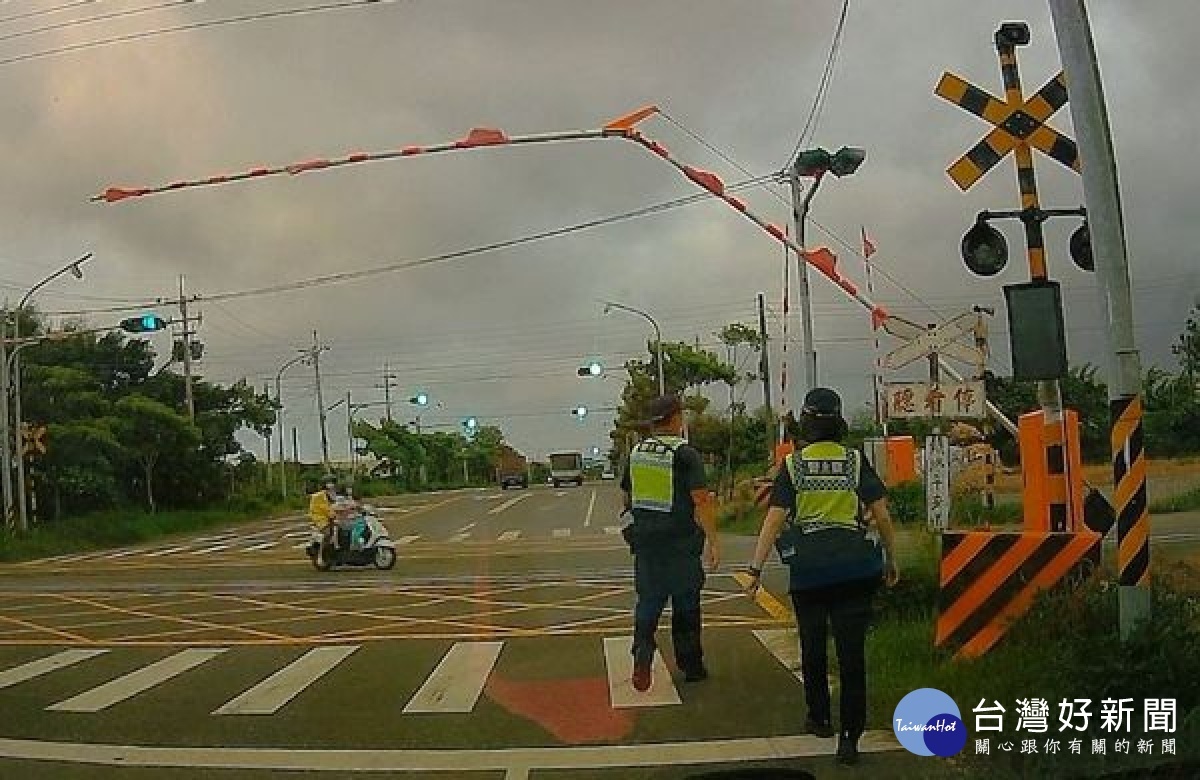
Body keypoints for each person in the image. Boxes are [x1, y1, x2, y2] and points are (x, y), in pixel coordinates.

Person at [745, 387, 900, 766]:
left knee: (812, 648)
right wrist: (892, 558)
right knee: (851, 656)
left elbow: (775, 519)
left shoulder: (794, 466)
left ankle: (820, 717)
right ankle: (850, 737)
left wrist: (755, 568)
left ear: (806, 422)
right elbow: (881, 515)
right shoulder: (854, 460)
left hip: (809, 572)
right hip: (854, 569)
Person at [620, 394, 720, 692]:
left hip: (647, 543)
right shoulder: (685, 455)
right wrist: (713, 541)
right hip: (681, 543)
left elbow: (626, 497)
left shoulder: (636, 453)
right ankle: (691, 665)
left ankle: (642, 652)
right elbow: (700, 500)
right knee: (686, 604)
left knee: (649, 600)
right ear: (676, 419)